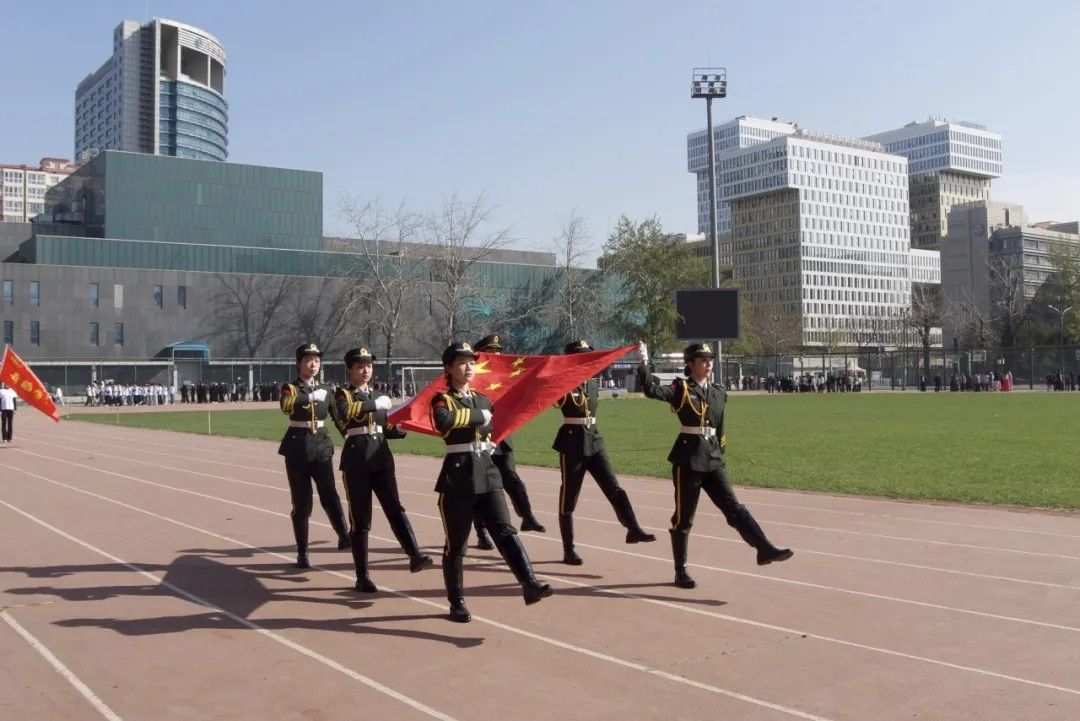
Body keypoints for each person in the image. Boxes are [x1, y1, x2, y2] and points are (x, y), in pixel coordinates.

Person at [637, 341, 793, 589]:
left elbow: (720, 429)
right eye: (703, 359)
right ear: (690, 364)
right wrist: (644, 362)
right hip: (688, 459)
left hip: (713, 459)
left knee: (735, 509)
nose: (708, 363)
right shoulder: (681, 389)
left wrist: (721, 454)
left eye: (710, 359)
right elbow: (650, 390)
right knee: (683, 519)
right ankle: (680, 571)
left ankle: (764, 548)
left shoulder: (719, 392)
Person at [432, 342, 552, 623]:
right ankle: (456, 602)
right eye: (462, 362)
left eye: (471, 362)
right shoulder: (442, 400)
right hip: (458, 477)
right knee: (456, 545)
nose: (469, 367)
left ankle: (529, 583)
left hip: (487, 472)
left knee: (505, 531)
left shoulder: (484, 400)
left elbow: (489, 431)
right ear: (449, 367)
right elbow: (444, 422)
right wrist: (477, 416)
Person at [330, 346, 433, 592]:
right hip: (357, 460)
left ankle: (414, 555)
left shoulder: (378, 396)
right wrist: (373, 404)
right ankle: (362, 575)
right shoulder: (343, 394)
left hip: (381, 458)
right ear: (349, 369)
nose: (366, 371)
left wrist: (400, 429)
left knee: (395, 508)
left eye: (369, 366)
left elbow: (385, 428)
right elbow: (344, 415)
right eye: (360, 366)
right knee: (361, 519)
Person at [553, 339, 656, 566]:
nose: (586, 359)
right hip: (572, 443)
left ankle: (633, 528)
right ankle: (568, 549)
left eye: (587, 355)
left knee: (614, 488)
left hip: (594, 441)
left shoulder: (591, 382)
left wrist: (641, 359)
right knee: (568, 498)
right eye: (580, 356)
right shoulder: (562, 383)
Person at [469, 333, 546, 552]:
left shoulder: (506, 375)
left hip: (502, 438)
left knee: (512, 479)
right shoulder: (472, 377)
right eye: (491, 351)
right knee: (479, 488)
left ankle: (527, 516)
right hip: (480, 440)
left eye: (498, 351)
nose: (496, 354)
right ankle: (481, 533)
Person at [278, 343, 350, 569]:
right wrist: (308, 398)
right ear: (299, 363)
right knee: (302, 501)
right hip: (297, 447)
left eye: (317, 361)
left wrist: (349, 436)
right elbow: (286, 406)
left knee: (330, 494)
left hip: (321, 446)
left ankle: (344, 534)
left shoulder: (326, 390)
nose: (313, 365)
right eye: (308, 360)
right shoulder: (291, 388)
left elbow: (337, 417)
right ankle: (303, 552)